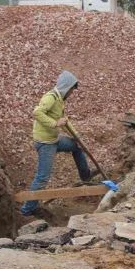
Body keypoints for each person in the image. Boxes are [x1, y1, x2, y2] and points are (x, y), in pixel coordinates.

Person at [20, 70, 93, 216]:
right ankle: (27, 209)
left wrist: (77, 136)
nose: (72, 93)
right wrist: (54, 124)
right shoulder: (50, 97)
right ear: (66, 87)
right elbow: (37, 112)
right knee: (42, 177)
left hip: (54, 139)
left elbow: (64, 120)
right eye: (72, 90)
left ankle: (86, 177)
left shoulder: (60, 100)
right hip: (45, 142)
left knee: (76, 146)